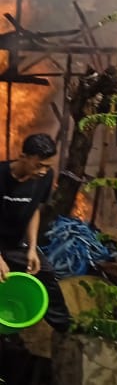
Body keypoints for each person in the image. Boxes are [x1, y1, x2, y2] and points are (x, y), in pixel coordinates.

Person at [0, 132, 69, 331]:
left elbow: (34, 210)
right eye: (39, 165)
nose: (43, 171)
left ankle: (65, 328)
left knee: (45, 272)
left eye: (48, 166)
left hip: (14, 244)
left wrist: (31, 248)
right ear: (23, 157)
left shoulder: (45, 177)